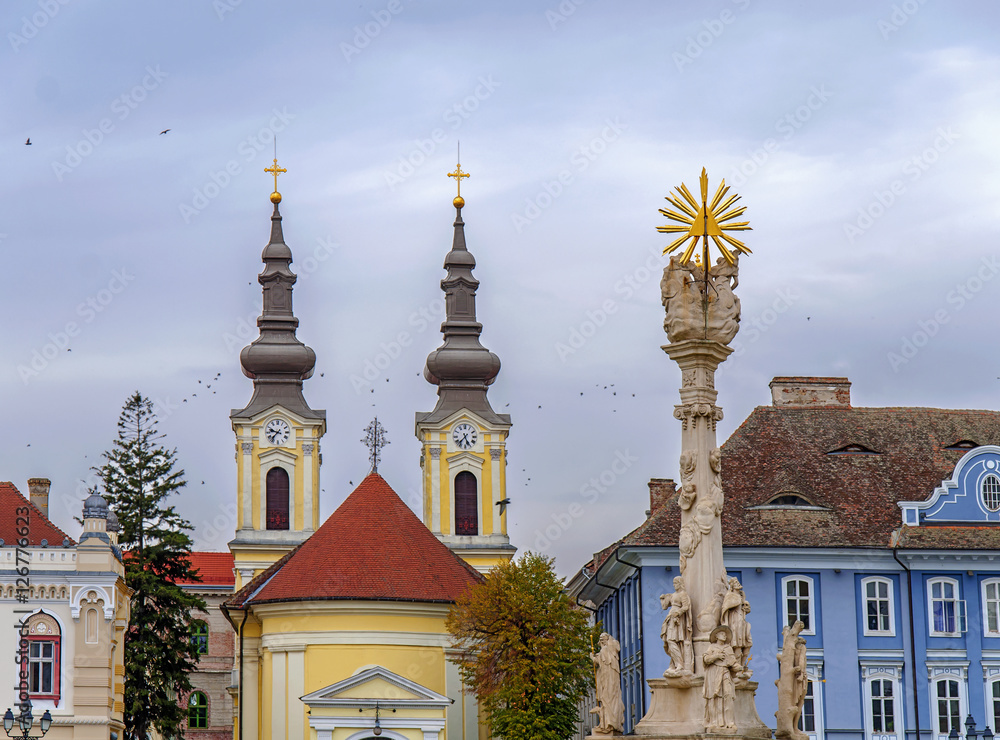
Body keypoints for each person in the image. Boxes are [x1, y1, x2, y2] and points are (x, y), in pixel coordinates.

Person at [703, 625, 739, 731]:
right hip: (713, 673)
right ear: (717, 636)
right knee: (713, 697)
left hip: (725, 672)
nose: (724, 635)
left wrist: (741, 669)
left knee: (728, 695)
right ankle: (714, 722)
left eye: (725, 634)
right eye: (722, 634)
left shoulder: (728, 648)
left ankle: (729, 722)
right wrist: (715, 656)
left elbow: (733, 663)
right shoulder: (712, 647)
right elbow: (705, 659)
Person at [590, 632, 625, 735]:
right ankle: (609, 723)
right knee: (611, 699)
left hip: (607, 679)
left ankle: (607, 724)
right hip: (611, 680)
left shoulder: (605, 650)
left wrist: (592, 657)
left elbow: (601, 662)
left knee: (606, 698)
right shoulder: (611, 651)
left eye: (602, 639)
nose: (601, 641)